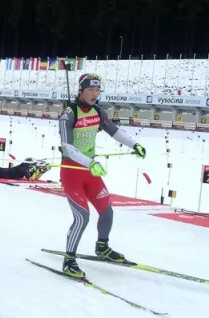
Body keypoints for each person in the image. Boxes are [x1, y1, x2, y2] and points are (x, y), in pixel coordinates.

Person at [58, 73, 146, 279]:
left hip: (91, 171)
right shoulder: (69, 114)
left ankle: (102, 247)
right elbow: (67, 147)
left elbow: (114, 131)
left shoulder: (98, 111)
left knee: (107, 210)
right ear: (81, 91)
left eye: (97, 90)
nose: (94, 94)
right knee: (82, 217)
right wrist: (91, 162)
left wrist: (135, 144)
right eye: (90, 90)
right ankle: (69, 260)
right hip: (73, 172)